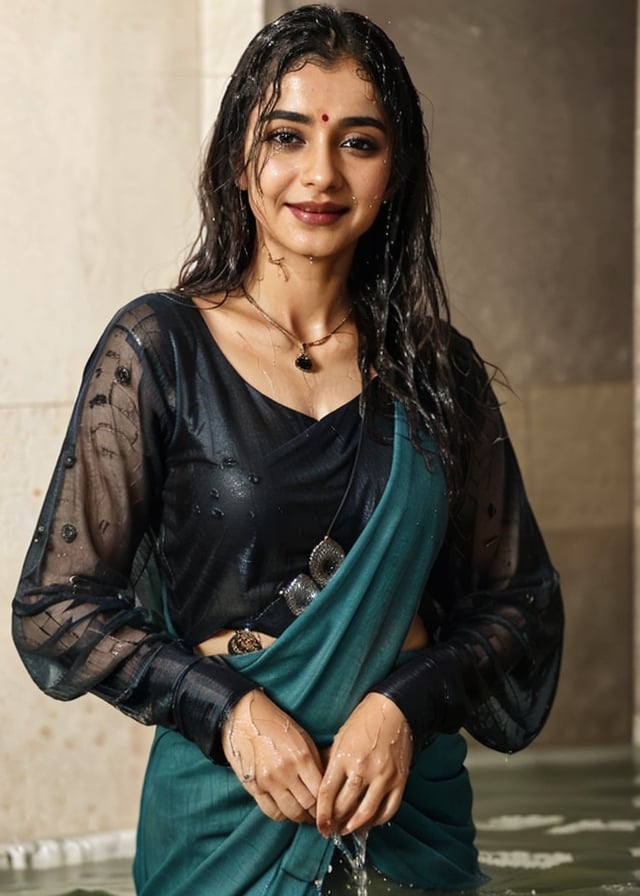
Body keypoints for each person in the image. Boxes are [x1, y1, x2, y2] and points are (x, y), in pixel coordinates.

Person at [11, 5, 564, 894]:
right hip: (225, 819)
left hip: (407, 815)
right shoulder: (159, 350)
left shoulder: (437, 370)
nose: (319, 174)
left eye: (358, 142)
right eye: (287, 134)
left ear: (397, 172)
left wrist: (403, 704)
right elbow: (57, 607)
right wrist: (227, 712)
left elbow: (520, 608)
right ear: (240, 158)